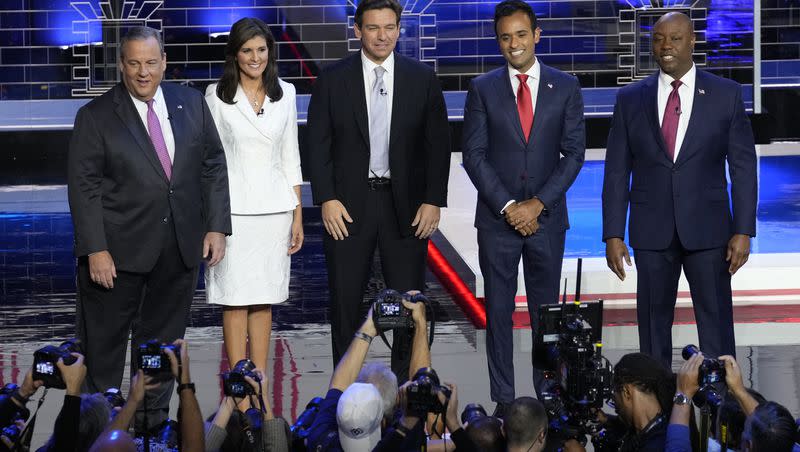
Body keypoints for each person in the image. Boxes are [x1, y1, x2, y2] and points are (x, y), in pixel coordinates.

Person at [67, 26, 231, 430]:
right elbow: (83, 189)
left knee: (159, 351)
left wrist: (216, 227)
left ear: (164, 63)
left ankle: (152, 427)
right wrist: (95, 250)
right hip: (115, 257)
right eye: (135, 63)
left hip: (177, 250)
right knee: (103, 352)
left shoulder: (191, 102)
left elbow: (212, 164)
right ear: (122, 65)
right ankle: (100, 430)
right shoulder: (96, 116)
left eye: (151, 63)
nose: (144, 72)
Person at [602, 11, 757, 368]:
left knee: (716, 329)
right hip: (651, 233)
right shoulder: (630, 99)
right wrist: (613, 233)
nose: (665, 46)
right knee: (653, 333)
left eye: (674, 38)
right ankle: (656, 412)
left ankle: (724, 411)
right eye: (658, 38)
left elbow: (744, 169)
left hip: (710, 232)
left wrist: (744, 230)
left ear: (692, 41)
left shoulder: (726, 94)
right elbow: (616, 171)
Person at [306, 0, 451, 377]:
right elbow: (317, 143)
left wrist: (434, 199)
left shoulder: (421, 78)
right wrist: (326, 197)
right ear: (357, 31)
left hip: (405, 207)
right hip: (348, 208)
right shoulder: (333, 79)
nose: (382, 35)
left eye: (390, 27)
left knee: (408, 306)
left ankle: (406, 393)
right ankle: (343, 392)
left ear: (399, 29)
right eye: (373, 27)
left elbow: (437, 145)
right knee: (345, 304)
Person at [461, 0, 585, 416]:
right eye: (505, 37)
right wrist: (511, 206)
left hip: (547, 220)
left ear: (537, 35)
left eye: (520, 34)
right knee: (498, 313)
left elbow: (573, 155)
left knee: (545, 315)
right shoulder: (482, 88)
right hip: (498, 223)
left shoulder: (565, 87)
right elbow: (473, 155)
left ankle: (547, 398)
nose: (513, 44)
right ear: (499, 40)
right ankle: (504, 400)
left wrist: (537, 204)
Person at [204, 17, 303, 378]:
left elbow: (291, 155)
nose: (255, 57)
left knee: (263, 299)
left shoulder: (286, 93)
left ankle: (258, 381)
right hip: (233, 213)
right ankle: (238, 386)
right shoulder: (216, 96)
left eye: (261, 49)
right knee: (234, 299)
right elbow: (209, 160)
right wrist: (211, 219)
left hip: (274, 210)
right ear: (235, 54)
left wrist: (297, 215)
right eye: (247, 50)